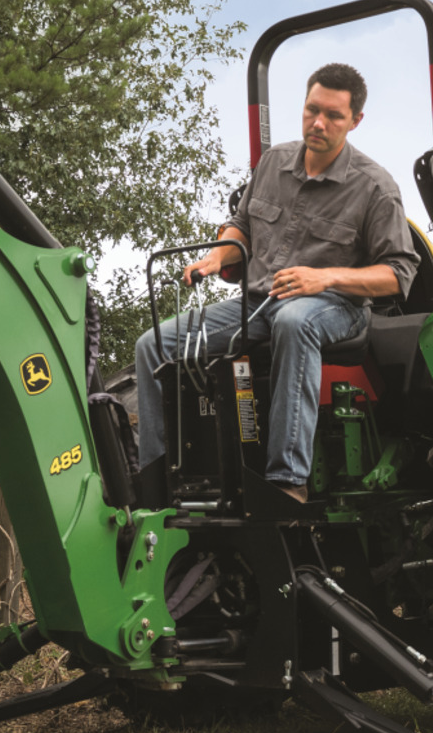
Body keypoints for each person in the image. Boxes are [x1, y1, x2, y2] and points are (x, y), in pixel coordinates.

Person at [134, 62, 417, 504]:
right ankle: (155, 479)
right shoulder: (273, 162)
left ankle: (287, 482)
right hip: (259, 303)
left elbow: (398, 274)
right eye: (311, 110)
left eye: (334, 116)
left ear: (356, 121)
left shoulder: (375, 187)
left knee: (295, 320)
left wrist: (322, 277)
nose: (318, 123)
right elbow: (241, 225)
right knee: (154, 344)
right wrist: (217, 255)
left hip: (336, 307)